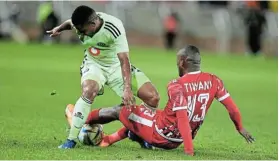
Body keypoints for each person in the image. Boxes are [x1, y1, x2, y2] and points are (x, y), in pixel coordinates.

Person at [69, 45, 255, 156]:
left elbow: (181, 116)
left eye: (177, 61)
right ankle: (109, 139)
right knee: (141, 114)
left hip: (162, 134)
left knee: (122, 110)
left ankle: (80, 119)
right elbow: (232, 109)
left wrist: (189, 151)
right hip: (179, 138)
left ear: (182, 62)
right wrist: (240, 128)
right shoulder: (214, 81)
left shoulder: (176, 85)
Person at [47, 5, 160, 149]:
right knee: (89, 90)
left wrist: (127, 88)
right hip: (94, 65)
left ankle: (140, 134)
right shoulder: (82, 23)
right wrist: (59, 28)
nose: (81, 34)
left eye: (83, 31)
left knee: (152, 97)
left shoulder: (114, 27)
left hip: (116, 67)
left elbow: (124, 60)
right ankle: (71, 139)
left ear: (92, 24)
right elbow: (70, 23)